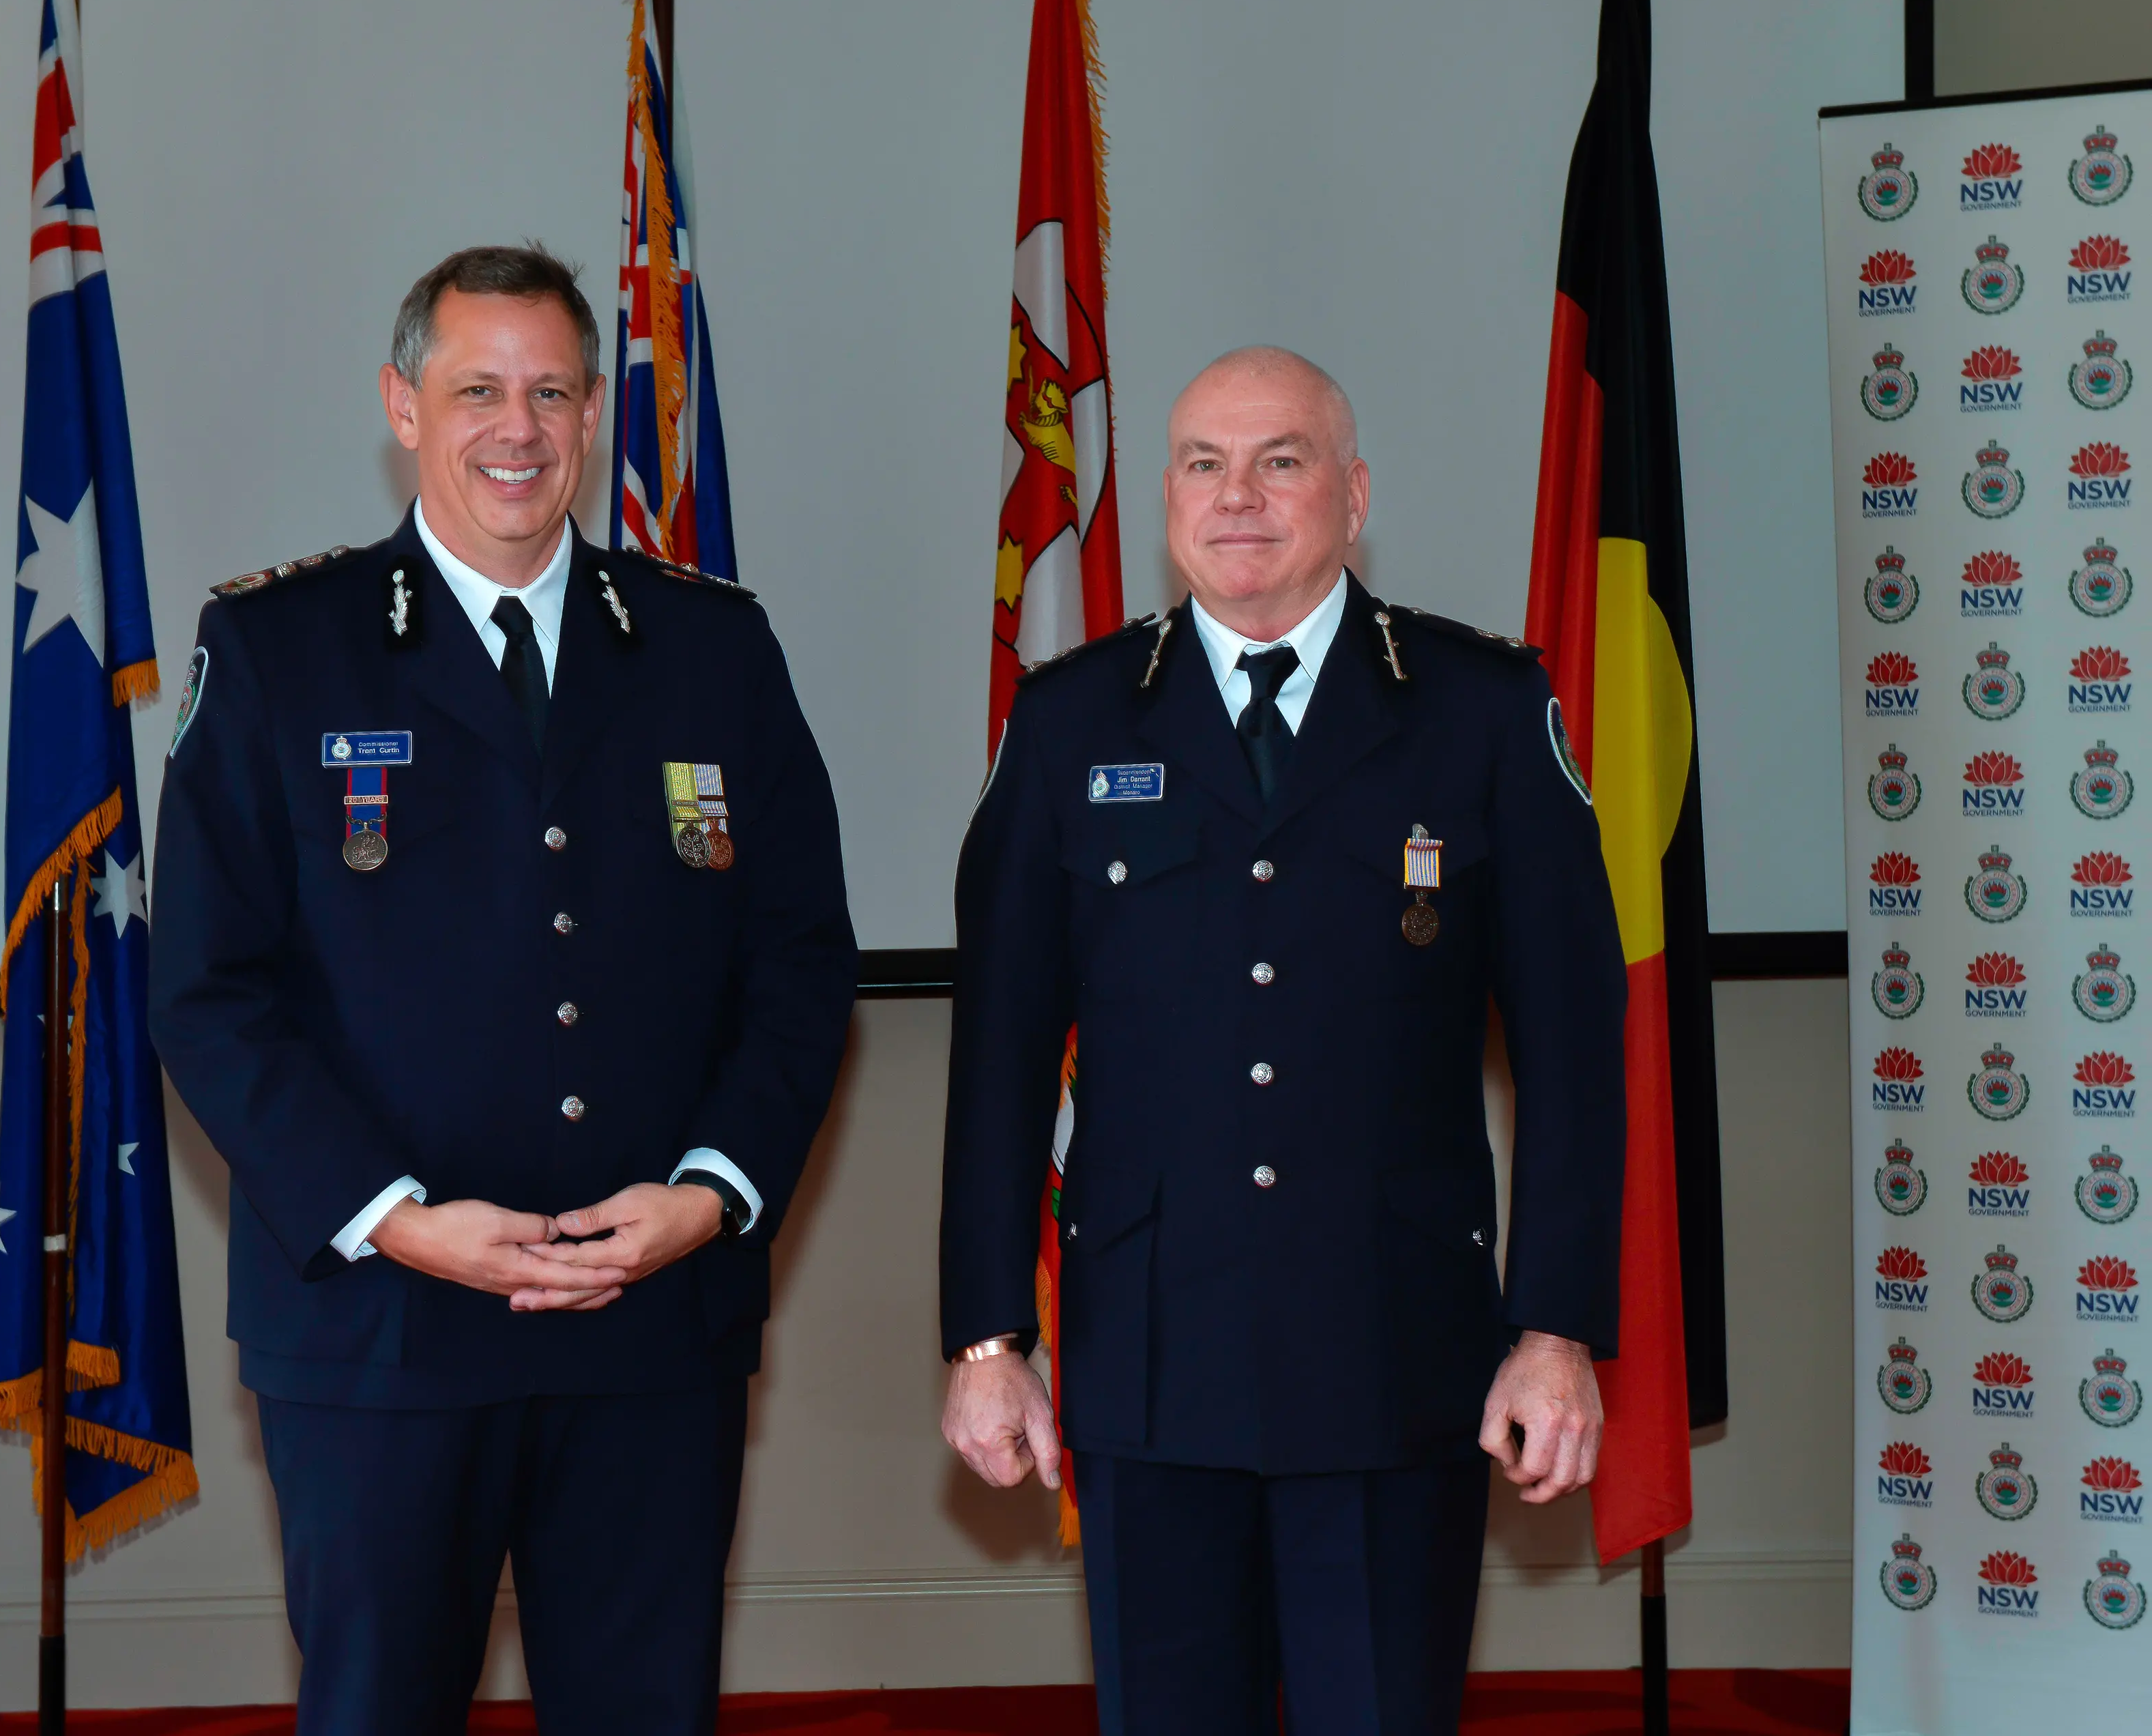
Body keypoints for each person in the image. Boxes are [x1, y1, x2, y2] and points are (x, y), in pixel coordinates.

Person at [149, 243, 857, 1736]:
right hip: (383, 1327)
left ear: (595, 412)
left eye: (548, 391)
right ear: (403, 406)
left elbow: (799, 958)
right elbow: (209, 991)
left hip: (650, 1313)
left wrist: (714, 1191)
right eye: (477, 388)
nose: (515, 429)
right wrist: (400, 1221)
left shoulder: (710, 646)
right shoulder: (283, 648)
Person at [936, 347, 1627, 1736]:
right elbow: (998, 1057)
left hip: (1392, 1356)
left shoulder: (1480, 709)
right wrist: (985, 1338)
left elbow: (1576, 1049)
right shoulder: (1072, 718)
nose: (1235, 496)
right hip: (1150, 1361)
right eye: (1203, 463)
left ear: (1353, 493)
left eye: (1281, 460)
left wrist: (1554, 1327)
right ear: (1171, 498)